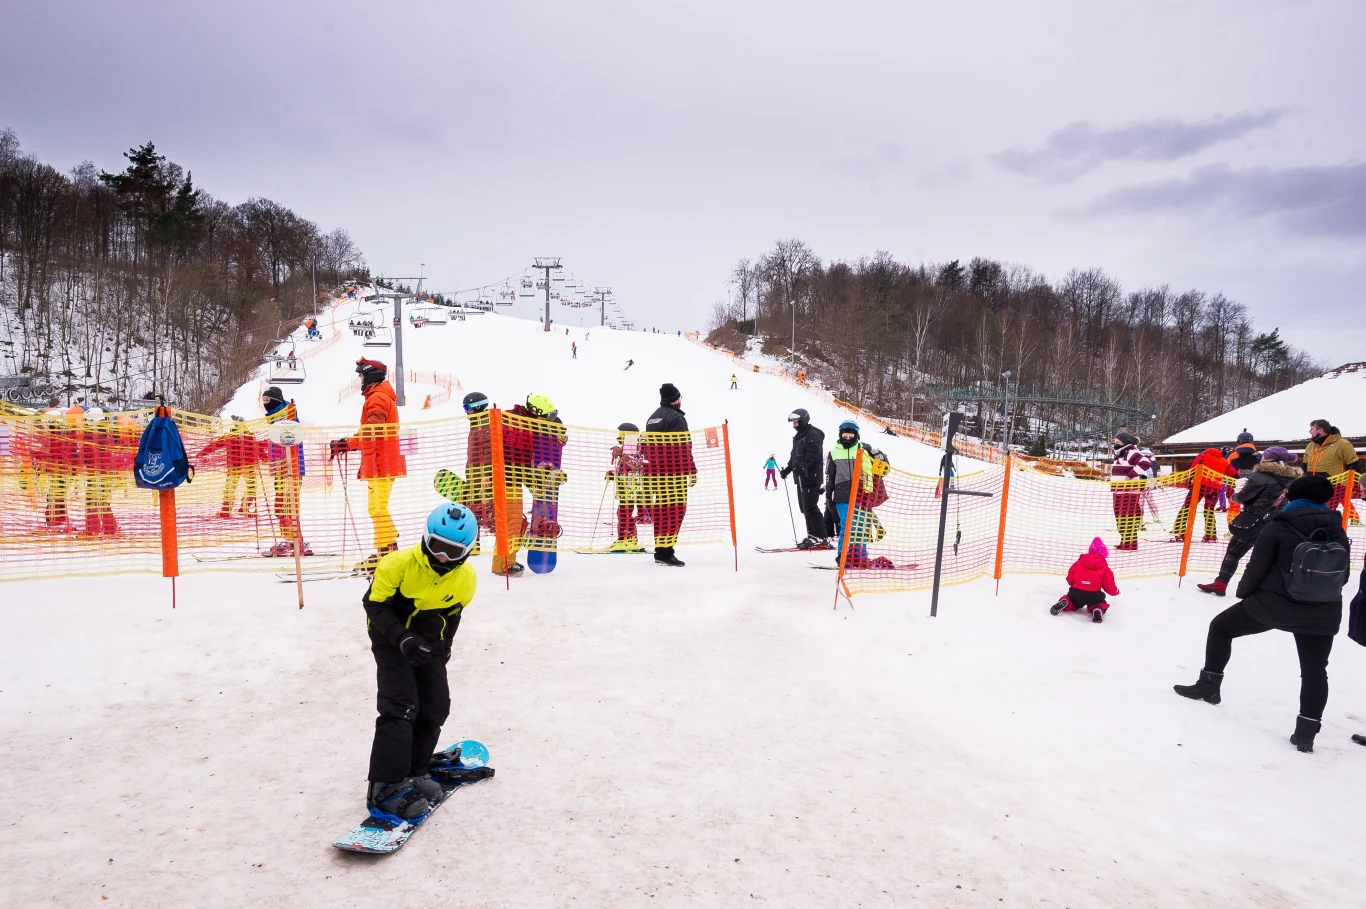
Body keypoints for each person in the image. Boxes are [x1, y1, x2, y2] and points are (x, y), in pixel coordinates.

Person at [1174, 476, 1352, 754]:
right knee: (1315, 671)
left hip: (1272, 605)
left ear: (1292, 497)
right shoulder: (1337, 527)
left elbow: (1255, 570)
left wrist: (1245, 595)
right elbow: (1342, 576)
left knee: (1221, 628)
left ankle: (1208, 686)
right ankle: (1306, 733)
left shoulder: (1279, 525)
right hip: (1323, 610)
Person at [361, 502, 478, 821]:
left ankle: (414, 770)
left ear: (466, 552)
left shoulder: (466, 578)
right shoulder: (396, 564)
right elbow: (373, 605)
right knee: (401, 706)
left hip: (427, 641)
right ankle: (385, 785)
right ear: (426, 539)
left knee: (436, 706)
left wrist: (444, 647)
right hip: (389, 636)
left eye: (452, 552)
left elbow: (452, 614)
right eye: (437, 547)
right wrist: (403, 639)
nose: (442, 557)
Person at [330, 359, 407, 572]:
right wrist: (349, 443)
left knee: (376, 508)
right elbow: (371, 431)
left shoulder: (378, 398)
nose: (359, 380)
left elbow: (373, 429)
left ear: (371, 376)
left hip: (381, 462)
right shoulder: (378, 396)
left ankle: (386, 553)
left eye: (361, 376)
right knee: (377, 508)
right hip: (380, 461)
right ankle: (388, 549)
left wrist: (348, 443)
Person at [1197, 446, 1302, 596]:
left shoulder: (1260, 476)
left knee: (1233, 553)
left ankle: (1221, 583)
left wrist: (1237, 491)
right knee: (1268, 557)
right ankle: (1266, 589)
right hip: (1278, 523)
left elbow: (1241, 498)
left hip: (1253, 520)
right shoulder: (1292, 480)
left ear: (1268, 459)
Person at [640, 383, 695, 567]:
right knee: (676, 511)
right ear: (676, 399)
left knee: (663, 511)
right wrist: (691, 470)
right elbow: (683, 447)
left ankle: (660, 550)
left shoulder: (652, 418)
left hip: (656, 473)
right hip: (674, 473)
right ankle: (665, 552)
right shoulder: (676, 418)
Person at [825, 420, 892, 569]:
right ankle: (843, 556)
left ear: (856, 435)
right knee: (848, 526)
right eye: (845, 435)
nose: (847, 438)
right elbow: (829, 477)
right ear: (840, 435)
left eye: (850, 435)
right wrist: (829, 497)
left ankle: (860, 556)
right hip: (842, 495)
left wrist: (879, 456)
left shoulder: (865, 451)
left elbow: (884, 470)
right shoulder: (834, 452)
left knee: (862, 526)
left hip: (862, 494)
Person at [261, 386, 311, 556]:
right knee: (281, 506)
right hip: (280, 468)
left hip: (291, 468)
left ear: (275, 399)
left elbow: (289, 438)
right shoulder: (274, 417)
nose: (265, 404)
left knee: (289, 506)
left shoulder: (287, 414)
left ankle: (295, 541)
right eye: (263, 400)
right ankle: (289, 539)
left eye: (267, 400)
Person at [199, 416, 264, 518]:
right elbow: (216, 445)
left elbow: (258, 449)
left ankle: (240, 508)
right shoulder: (234, 436)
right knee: (241, 488)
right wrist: (203, 452)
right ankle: (233, 509)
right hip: (240, 466)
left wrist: (265, 458)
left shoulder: (248, 436)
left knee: (244, 488)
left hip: (242, 466)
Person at [781, 408, 827, 548]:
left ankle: (821, 537)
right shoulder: (799, 437)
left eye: (797, 422)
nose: (795, 426)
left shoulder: (813, 435)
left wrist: (804, 466)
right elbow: (794, 456)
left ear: (804, 420)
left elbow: (813, 454)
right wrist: (788, 470)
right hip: (801, 478)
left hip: (811, 477)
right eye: (793, 423)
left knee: (811, 507)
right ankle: (812, 535)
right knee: (805, 508)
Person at [1172, 448, 1238, 542]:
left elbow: (1193, 469)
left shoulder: (1202, 456)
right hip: (1215, 488)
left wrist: (1188, 482)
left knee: (1187, 507)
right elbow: (1234, 474)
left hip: (1199, 486)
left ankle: (1179, 531)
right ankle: (1210, 535)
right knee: (1209, 510)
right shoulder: (1224, 461)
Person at [1050, 537, 1120, 623]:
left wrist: (1075, 585)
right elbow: (1109, 585)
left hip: (1076, 592)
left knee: (1072, 600)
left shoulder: (1078, 563)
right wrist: (1116, 591)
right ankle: (1098, 609)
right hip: (1094, 595)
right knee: (1099, 603)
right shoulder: (1105, 569)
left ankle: (1066, 602)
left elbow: (1070, 577)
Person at [1303, 419, 1362, 522]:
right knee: (1313, 512)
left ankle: (1350, 520)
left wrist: (1355, 485)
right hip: (1312, 484)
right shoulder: (1310, 446)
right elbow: (1304, 465)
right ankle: (1355, 519)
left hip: (1334, 486)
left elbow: (1354, 465)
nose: (1309, 431)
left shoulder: (1342, 444)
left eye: (1312, 429)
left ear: (1320, 430)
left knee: (1324, 513)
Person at [606, 423, 646, 552]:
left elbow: (636, 464)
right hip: (624, 485)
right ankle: (625, 538)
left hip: (631, 486)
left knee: (624, 512)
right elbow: (626, 465)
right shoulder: (627, 447)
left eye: (621, 434)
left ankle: (628, 539)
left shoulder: (633, 447)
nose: (619, 436)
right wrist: (614, 473)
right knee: (623, 512)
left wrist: (622, 454)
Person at [1110, 432, 1151, 550]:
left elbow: (1145, 463)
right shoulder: (1121, 453)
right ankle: (1125, 541)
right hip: (1119, 491)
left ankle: (1130, 543)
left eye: (1119, 442)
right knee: (1120, 516)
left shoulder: (1131, 452)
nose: (1116, 444)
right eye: (1115, 442)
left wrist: (1131, 474)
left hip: (1128, 492)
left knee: (1126, 516)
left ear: (1126, 442)